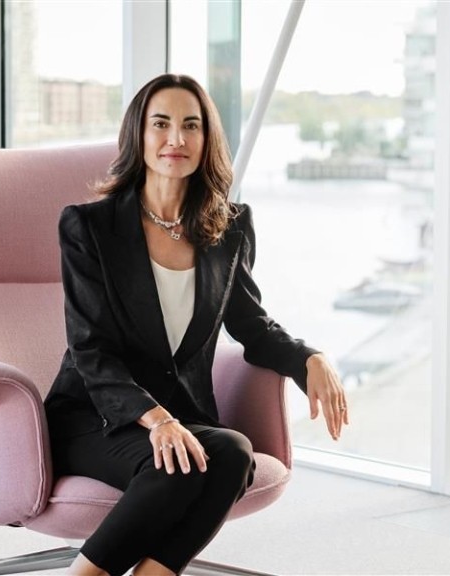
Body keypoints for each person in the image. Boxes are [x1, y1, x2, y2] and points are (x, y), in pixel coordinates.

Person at [44, 73, 349, 576]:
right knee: (179, 468)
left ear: (207, 139)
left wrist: (308, 358)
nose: (176, 139)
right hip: (95, 416)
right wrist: (157, 420)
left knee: (232, 451)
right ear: (139, 134)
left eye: (191, 125)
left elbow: (252, 326)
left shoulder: (228, 227)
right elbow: (90, 350)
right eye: (161, 124)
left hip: (180, 413)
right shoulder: (89, 226)